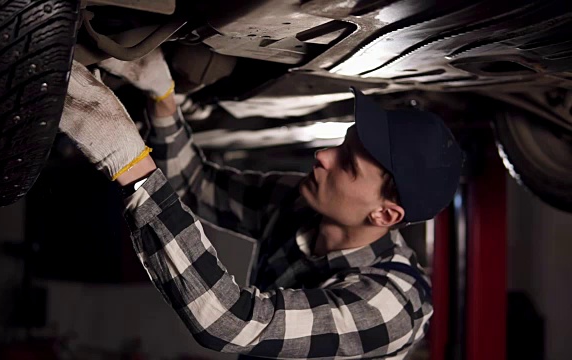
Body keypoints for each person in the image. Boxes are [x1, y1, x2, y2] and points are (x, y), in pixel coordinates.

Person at [59, 49, 464, 359]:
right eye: (343, 142)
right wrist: (162, 96)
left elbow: (230, 321)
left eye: (349, 164)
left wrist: (129, 160)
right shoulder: (301, 203)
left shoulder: (392, 306)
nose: (323, 155)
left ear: (385, 214)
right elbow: (198, 186)